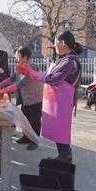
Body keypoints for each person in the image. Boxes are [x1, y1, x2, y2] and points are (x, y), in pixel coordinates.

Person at [16, 30, 82, 163]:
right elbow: (47, 74)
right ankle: (63, 155)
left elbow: (52, 78)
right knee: (58, 129)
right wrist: (32, 73)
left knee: (61, 129)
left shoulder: (69, 61)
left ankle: (65, 155)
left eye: (56, 43)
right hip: (57, 99)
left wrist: (31, 73)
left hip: (62, 100)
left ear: (63, 43)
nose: (55, 46)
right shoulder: (63, 60)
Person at [5, 46, 43, 149]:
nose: (16, 58)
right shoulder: (20, 65)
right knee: (25, 118)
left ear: (25, 57)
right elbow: (12, 77)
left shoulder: (32, 66)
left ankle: (34, 141)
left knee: (34, 120)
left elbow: (22, 83)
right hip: (26, 98)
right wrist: (0, 85)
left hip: (35, 98)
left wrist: (6, 90)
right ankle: (26, 137)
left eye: (18, 56)